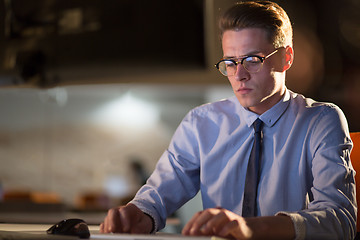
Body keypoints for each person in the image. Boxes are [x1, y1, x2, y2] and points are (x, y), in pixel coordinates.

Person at [100, 1, 357, 239]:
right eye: (230, 63)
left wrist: (249, 228)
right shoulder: (200, 123)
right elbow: (157, 197)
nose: (239, 75)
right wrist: (139, 214)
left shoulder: (321, 120)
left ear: (286, 57)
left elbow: (341, 220)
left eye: (252, 60)